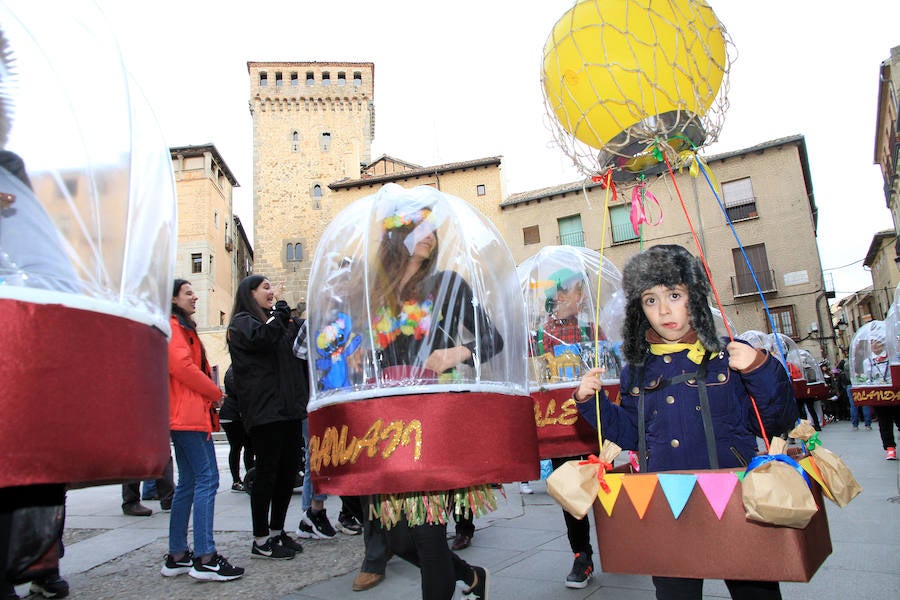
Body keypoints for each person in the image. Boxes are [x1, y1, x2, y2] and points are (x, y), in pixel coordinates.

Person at [573, 244, 797, 600]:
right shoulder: (637, 370)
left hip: (737, 503)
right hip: (667, 506)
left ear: (694, 296)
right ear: (638, 309)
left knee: (756, 592)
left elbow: (778, 421)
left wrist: (760, 369)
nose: (664, 310)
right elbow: (631, 434)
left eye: (674, 295)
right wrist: (591, 403)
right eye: (650, 300)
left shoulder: (728, 356)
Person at [360, 196, 497, 600]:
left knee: (427, 533)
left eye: (432, 229)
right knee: (399, 540)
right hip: (386, 422)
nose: (429, 236)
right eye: (419, 227)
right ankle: (471, 576)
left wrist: (455, 353)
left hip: (433, 420)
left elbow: (493, 339)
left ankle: (459, 579)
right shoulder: (376, 292)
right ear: (397, 234)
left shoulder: (447, 284)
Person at [160, 279, 243, 581]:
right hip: (190, 416)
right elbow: (182, 366)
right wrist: (214, 391)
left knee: (189, 483)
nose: (195, 296)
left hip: (185, 416)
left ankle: (178, 554)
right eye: (188, 292)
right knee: (207, 479)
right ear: (172, 298)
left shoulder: (179, 326)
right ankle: (205, 556)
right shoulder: (174, 326)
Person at [227, 275, 307, 560]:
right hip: (265, 412)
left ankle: (276, 531)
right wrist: (282, 311)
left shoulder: (277, 323)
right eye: (266, 288)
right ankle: (260, 538)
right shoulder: (242, 323)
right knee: (267, 474)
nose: (272, 292)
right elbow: (263, 337)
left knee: (287, 474)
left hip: (288, 410)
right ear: (250, 293)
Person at [534, 267, 602, 589]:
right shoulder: (540, 335)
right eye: (579, 290)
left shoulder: (592, 330)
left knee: (603, 487)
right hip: (560, 424)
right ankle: (581, 555)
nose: (584, 297)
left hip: (595, 421)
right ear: (561, 295)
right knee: (570, 492)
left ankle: (624, 542)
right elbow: (534, 376)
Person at [861, 331, 900, 460]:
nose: (875, 345)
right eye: (872, 342)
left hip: (894, 394)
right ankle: (890, 448)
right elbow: (867, 377)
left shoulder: (893, 357)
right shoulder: (868, 361)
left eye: (877, 342)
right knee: (884, 422)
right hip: (879, 395)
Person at [221, 366, 255, 492]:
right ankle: (236, 481)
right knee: (236, 447)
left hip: (239, 415)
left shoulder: (238, 369)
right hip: (232, 416)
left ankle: (250, 477)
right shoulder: (233, 371)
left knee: (249, 447)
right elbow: (239, 391)